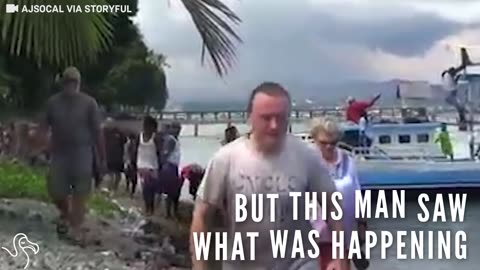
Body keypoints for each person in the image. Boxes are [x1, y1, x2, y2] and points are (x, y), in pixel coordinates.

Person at [190, 82, 346, 270]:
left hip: (299, 262)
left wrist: (340, 257)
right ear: (250, 118)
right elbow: (202, 217)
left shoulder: (306, 156)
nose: (274, 125)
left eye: (280, 118)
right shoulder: (226, 159)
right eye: (266, 118)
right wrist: (201, 266)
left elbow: (333, 208)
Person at [41, 66, 106, 244]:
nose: (71, 86)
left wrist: (101, 159)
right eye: (68, 82)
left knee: (80, 192)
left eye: (74, 82)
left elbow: (98, 132)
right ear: (63, 83)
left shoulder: (89, 103)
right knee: (55, 189)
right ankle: (66, 213)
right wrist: (41, 146)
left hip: (82, 152)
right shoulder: (53, 103)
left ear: (79, 84)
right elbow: (44, 127)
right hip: (60, 152)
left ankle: (76, 229)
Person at [309, 118, 368, 270]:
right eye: (323, 142)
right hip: (314, 236)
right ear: (314, 139)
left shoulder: (347, 160)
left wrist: (362, 227)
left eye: (333, 142)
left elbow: (357, 193)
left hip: (344, 235)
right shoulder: (306, 161)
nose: (329, 146)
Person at [160, 121, 183, 219]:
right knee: (172, 191)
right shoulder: (171, 140)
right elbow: (165, 154)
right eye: (176, 129)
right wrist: (163, 165)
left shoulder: (173, 139)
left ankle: (171, 212)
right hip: (170, 167)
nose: (178, 131)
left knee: (172, 191)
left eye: (179, 129)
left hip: (173, 166)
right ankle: (170, 213)